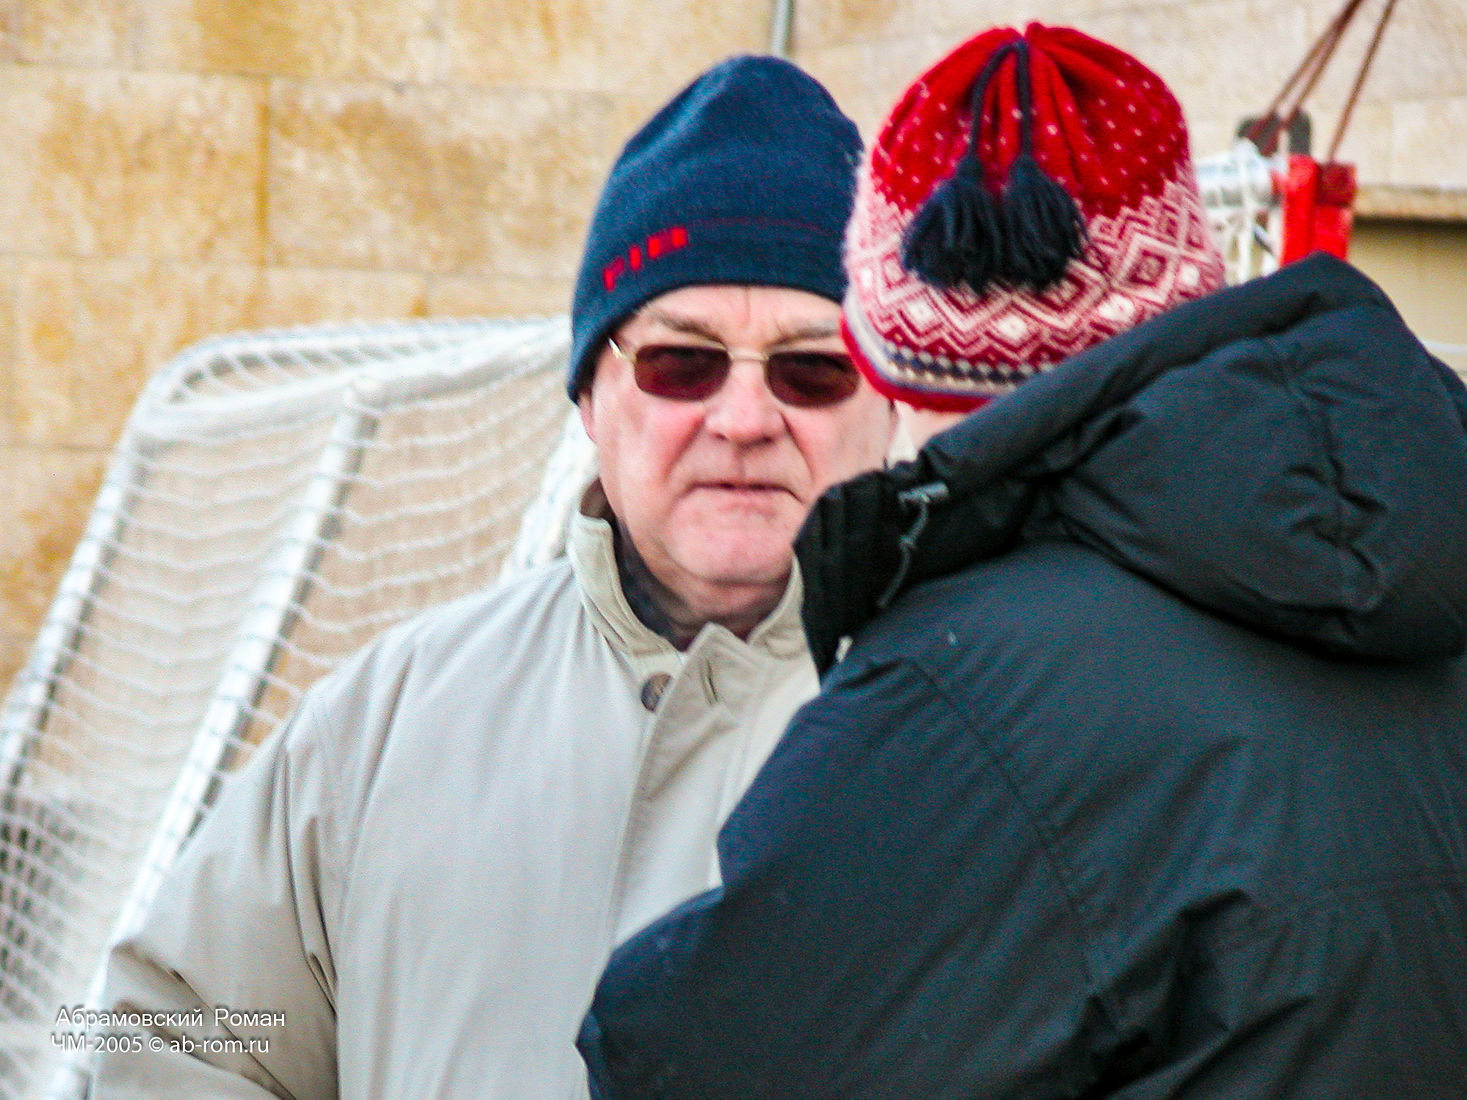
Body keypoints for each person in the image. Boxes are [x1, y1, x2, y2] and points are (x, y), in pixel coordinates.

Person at [580, 24, 1467, 1098]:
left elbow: (685, 1060)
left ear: (890, 362)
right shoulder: (1427, 564)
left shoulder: (964, 694)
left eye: (813, 370)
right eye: (681, 364)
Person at [92, 56, 895, 1098]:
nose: (743, 419)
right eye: (681, 363)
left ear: (888, 399)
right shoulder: (382, 723)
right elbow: (185, 1027)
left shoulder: (979, 732)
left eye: (811, 368)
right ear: (590, 395)